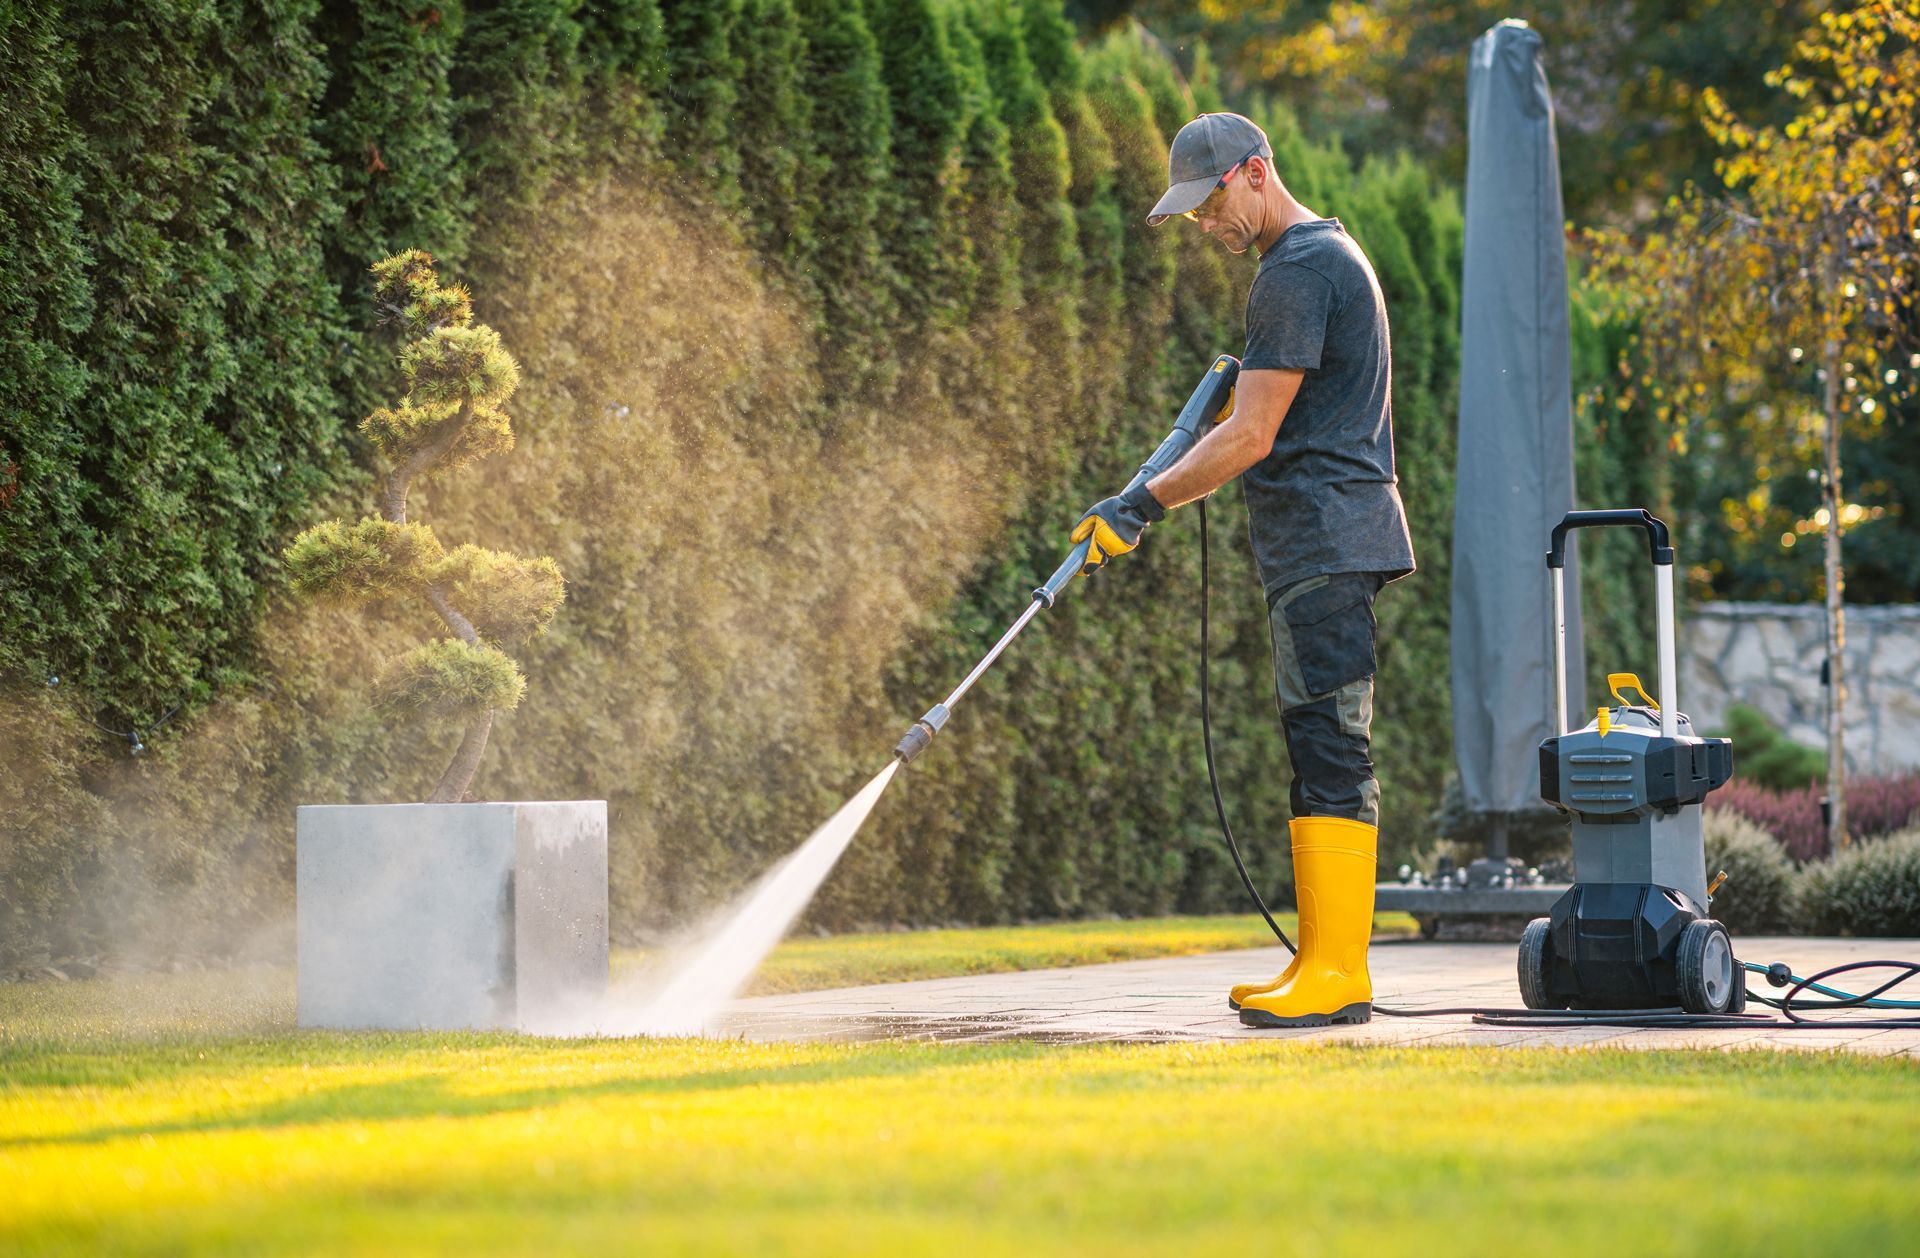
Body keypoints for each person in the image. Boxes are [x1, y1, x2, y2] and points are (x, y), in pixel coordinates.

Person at [1071, 112, 1415, 1028]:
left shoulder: (1297, 270)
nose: (1202, 226)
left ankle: (1338, 974)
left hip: (1326, 543)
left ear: (1254, 173)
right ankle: (1325, 964)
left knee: (1333, 751)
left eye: (1208, 203)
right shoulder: (1322, 260)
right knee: (1318, 751)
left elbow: (1251, 435)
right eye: (1187, 214)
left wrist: (1139, 506)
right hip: (1329, 543)